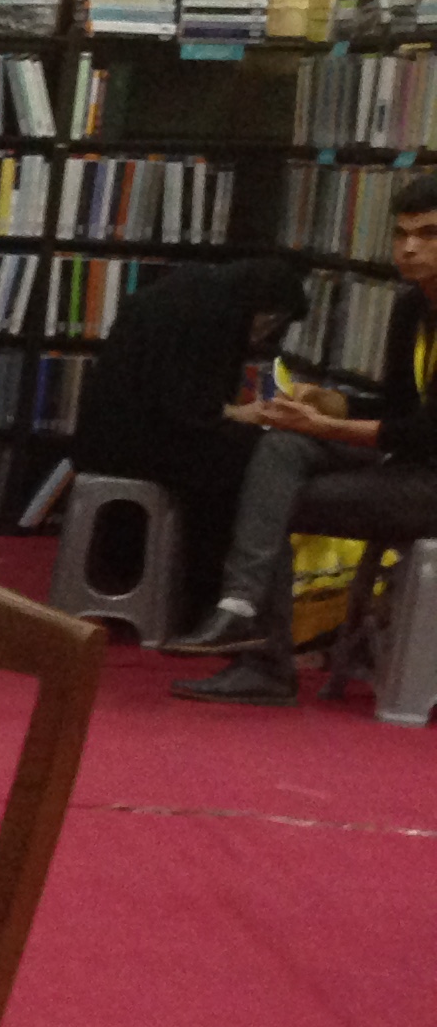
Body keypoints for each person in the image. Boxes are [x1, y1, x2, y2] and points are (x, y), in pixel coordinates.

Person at [162, 177, 437, 704]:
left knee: (273, 497)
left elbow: (426, 432)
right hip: (411, 463)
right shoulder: (411, 307)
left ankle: (259, 654)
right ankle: (241, 609)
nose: (409, 248)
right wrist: (329, 404)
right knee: (282, 446)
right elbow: (400, 409)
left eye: (428, 234)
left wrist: (326, 427)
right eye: (401, 234)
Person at [67, 254, 312, 627]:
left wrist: (229, 414)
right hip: (139, 446)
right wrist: (247, 416)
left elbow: (173, 395)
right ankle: (217, 600)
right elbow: (189, 411)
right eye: (272, 323)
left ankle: (138, 575)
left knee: (238, 454)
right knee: (258, 464)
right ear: (266, 312)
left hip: (105, 439)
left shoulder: (188, 290)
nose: (265, 334)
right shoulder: (216, 316)